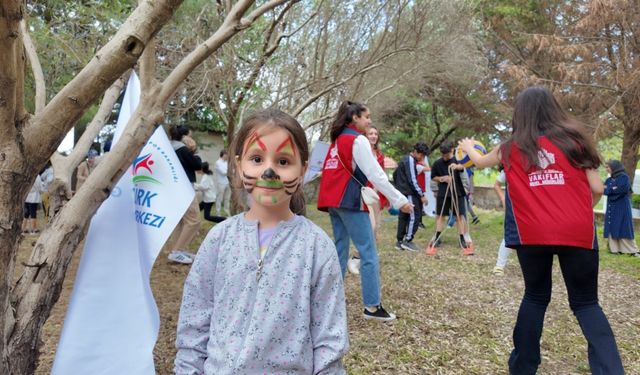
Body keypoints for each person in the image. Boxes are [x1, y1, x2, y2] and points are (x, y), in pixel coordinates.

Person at [459, 86, 625, 374]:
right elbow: (597, 189)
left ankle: (523, 367)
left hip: (532, 234)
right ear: (554, 108)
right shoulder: (575, 142)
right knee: (586, 303)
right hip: (577, 232)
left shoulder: (512, 146)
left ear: (520, 113)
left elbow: (481, 160)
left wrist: (467, 145)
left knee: (535, 296)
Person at [175, 109, 348, 374]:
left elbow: (329, 340)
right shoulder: (219, 239)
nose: (268, 171)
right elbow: (194, 322)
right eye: (256, 158)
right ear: (239, 164)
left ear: (303, 169)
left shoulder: (317, 247)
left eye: (283, 161)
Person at [317, 100, 413, 322]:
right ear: (355, 118)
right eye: (366, 117)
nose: (369, 121)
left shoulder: (337, 140)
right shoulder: (357, 140)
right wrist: (399, 200)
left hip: (332, 201)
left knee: (339, 250)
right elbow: (376, 174)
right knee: (368, 252)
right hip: (350, 200)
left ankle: (330, 301)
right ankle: (372, 306)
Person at [348, 125, 388, 275]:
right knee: (369, 226)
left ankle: (366, 259)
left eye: (375, 133)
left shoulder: (379, 154)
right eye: (370, 133)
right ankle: (355, 257)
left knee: (376, 228)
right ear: (365, 135)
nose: (373, 136)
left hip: (377, 194)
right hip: (364, 193)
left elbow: (381, 174)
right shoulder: (359, 150)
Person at [427, 141, 473, 256]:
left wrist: (458, 167)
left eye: (446, 154)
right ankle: (437, 237)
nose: (444, 157)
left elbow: (464, 169)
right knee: (440, 216)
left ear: (452, 150)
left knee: (460, 216)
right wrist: (443, 178)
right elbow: (433, 177)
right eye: (443, 154)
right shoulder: (438, 163)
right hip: (443, 193)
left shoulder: (459, 161)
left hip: (458, 193)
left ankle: (462, 238)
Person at [167, 125, 202, 264]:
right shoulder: (182, 149)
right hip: (185, 188)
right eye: (190, 135)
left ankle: (177, 250)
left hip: (173, 189)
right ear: (185, 136)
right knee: (194, 220)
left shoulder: (169, 147)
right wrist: (193, 150)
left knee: (181, 221)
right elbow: (197, 165)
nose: (192, 138)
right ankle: (177, 251)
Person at [392, 142, 430, 252]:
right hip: (409, 193)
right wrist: (421, 195)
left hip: (403, 192)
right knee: (415, 215)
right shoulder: (410, 160)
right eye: (422, 156)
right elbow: (412, 180)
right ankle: (407, 241)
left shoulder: (405, 159)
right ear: (416, 152)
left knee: (404, 216)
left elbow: (395, 175)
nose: (422, 158)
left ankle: (399, 241)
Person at [604, 160, 640, 257]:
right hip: (612, 206)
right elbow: (605, 191)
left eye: (608, 167)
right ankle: (615, 249)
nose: (606, 169)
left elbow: (623, 189)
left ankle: (631, 250)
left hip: (622, 206)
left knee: (624, 225)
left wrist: (611, 190)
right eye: (606, 167)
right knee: (613, 224)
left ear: (615, 167)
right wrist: (613, 190)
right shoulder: (609, 180)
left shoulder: (624, 177)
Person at [492, 166, 514, 275]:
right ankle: (499, 265)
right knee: (509, 235)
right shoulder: (510, 168)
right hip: (514, 208)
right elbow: (496, 185)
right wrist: (503, 199)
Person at [214, 150, 231, 215]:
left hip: (227, 182)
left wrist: (229, 171)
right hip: (221, 183)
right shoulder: (217, 162)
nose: (227, 156)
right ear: (223, 155)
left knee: (227, 198)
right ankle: (218, 213)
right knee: (219, 198)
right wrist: (229, 171)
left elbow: (232, 171)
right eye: (226, 155)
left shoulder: (227, 163)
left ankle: (227, 211)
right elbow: (223, 172)